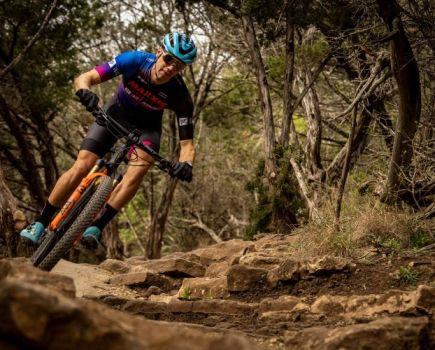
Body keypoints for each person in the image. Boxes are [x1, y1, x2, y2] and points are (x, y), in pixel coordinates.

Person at [20, 32, 197, 248]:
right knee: (81, 166)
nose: (170, 68)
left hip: (146, 130)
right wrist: (84, 91)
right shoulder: (134, 60)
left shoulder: (180, 96)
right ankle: (40, 221)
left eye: (178, 66)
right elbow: (85, 78)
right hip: (114, 114)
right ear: (159, 52)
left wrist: (186, 164)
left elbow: (187, 145)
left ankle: (97, 226)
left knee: (137, 172)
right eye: (169, 59)